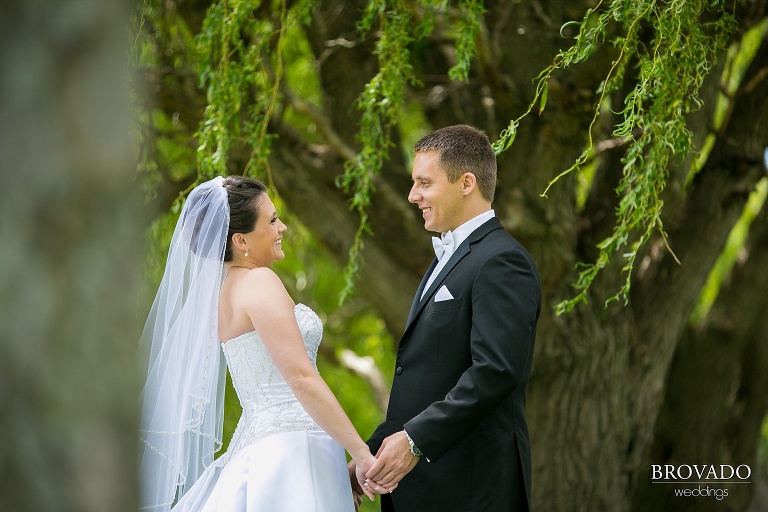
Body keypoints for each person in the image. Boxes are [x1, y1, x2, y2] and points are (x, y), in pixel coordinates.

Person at [139, 175, 389, 511]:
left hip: (260, 445)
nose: (282, 227)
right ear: (241, 239)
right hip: (293, 448)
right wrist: (361, 454)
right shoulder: (259, 281)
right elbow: (300, 377)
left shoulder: (224, 292)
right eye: (272, 220)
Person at [357, 125, 541, 511]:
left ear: (466, 182)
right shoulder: (448, 258)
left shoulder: (502, 261)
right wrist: (371, 456)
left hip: (471, 491)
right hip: (420, 490)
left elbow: (495, 371)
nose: (412, 196)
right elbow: (424, 377)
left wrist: (415, 441)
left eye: (424, 182)